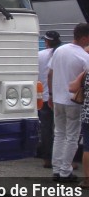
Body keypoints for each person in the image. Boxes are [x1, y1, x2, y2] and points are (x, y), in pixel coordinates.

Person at [48, 23, 89, 182]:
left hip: (57, 99)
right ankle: (65, 171)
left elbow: (50, 74)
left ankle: (56, 169)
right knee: (72, 137)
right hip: (73, 102)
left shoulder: (59, 50)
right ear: (84, 37)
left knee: (59, 134)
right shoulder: (84, 56)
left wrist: (50, 95)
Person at [38, 31, 61, 168]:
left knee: (46, 129)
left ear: (46, 41)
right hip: (58, 97)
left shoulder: (39, 55)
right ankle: (63, 160)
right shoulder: (61, 53)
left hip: (44, 98)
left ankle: (47, 159)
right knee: (61, 130)